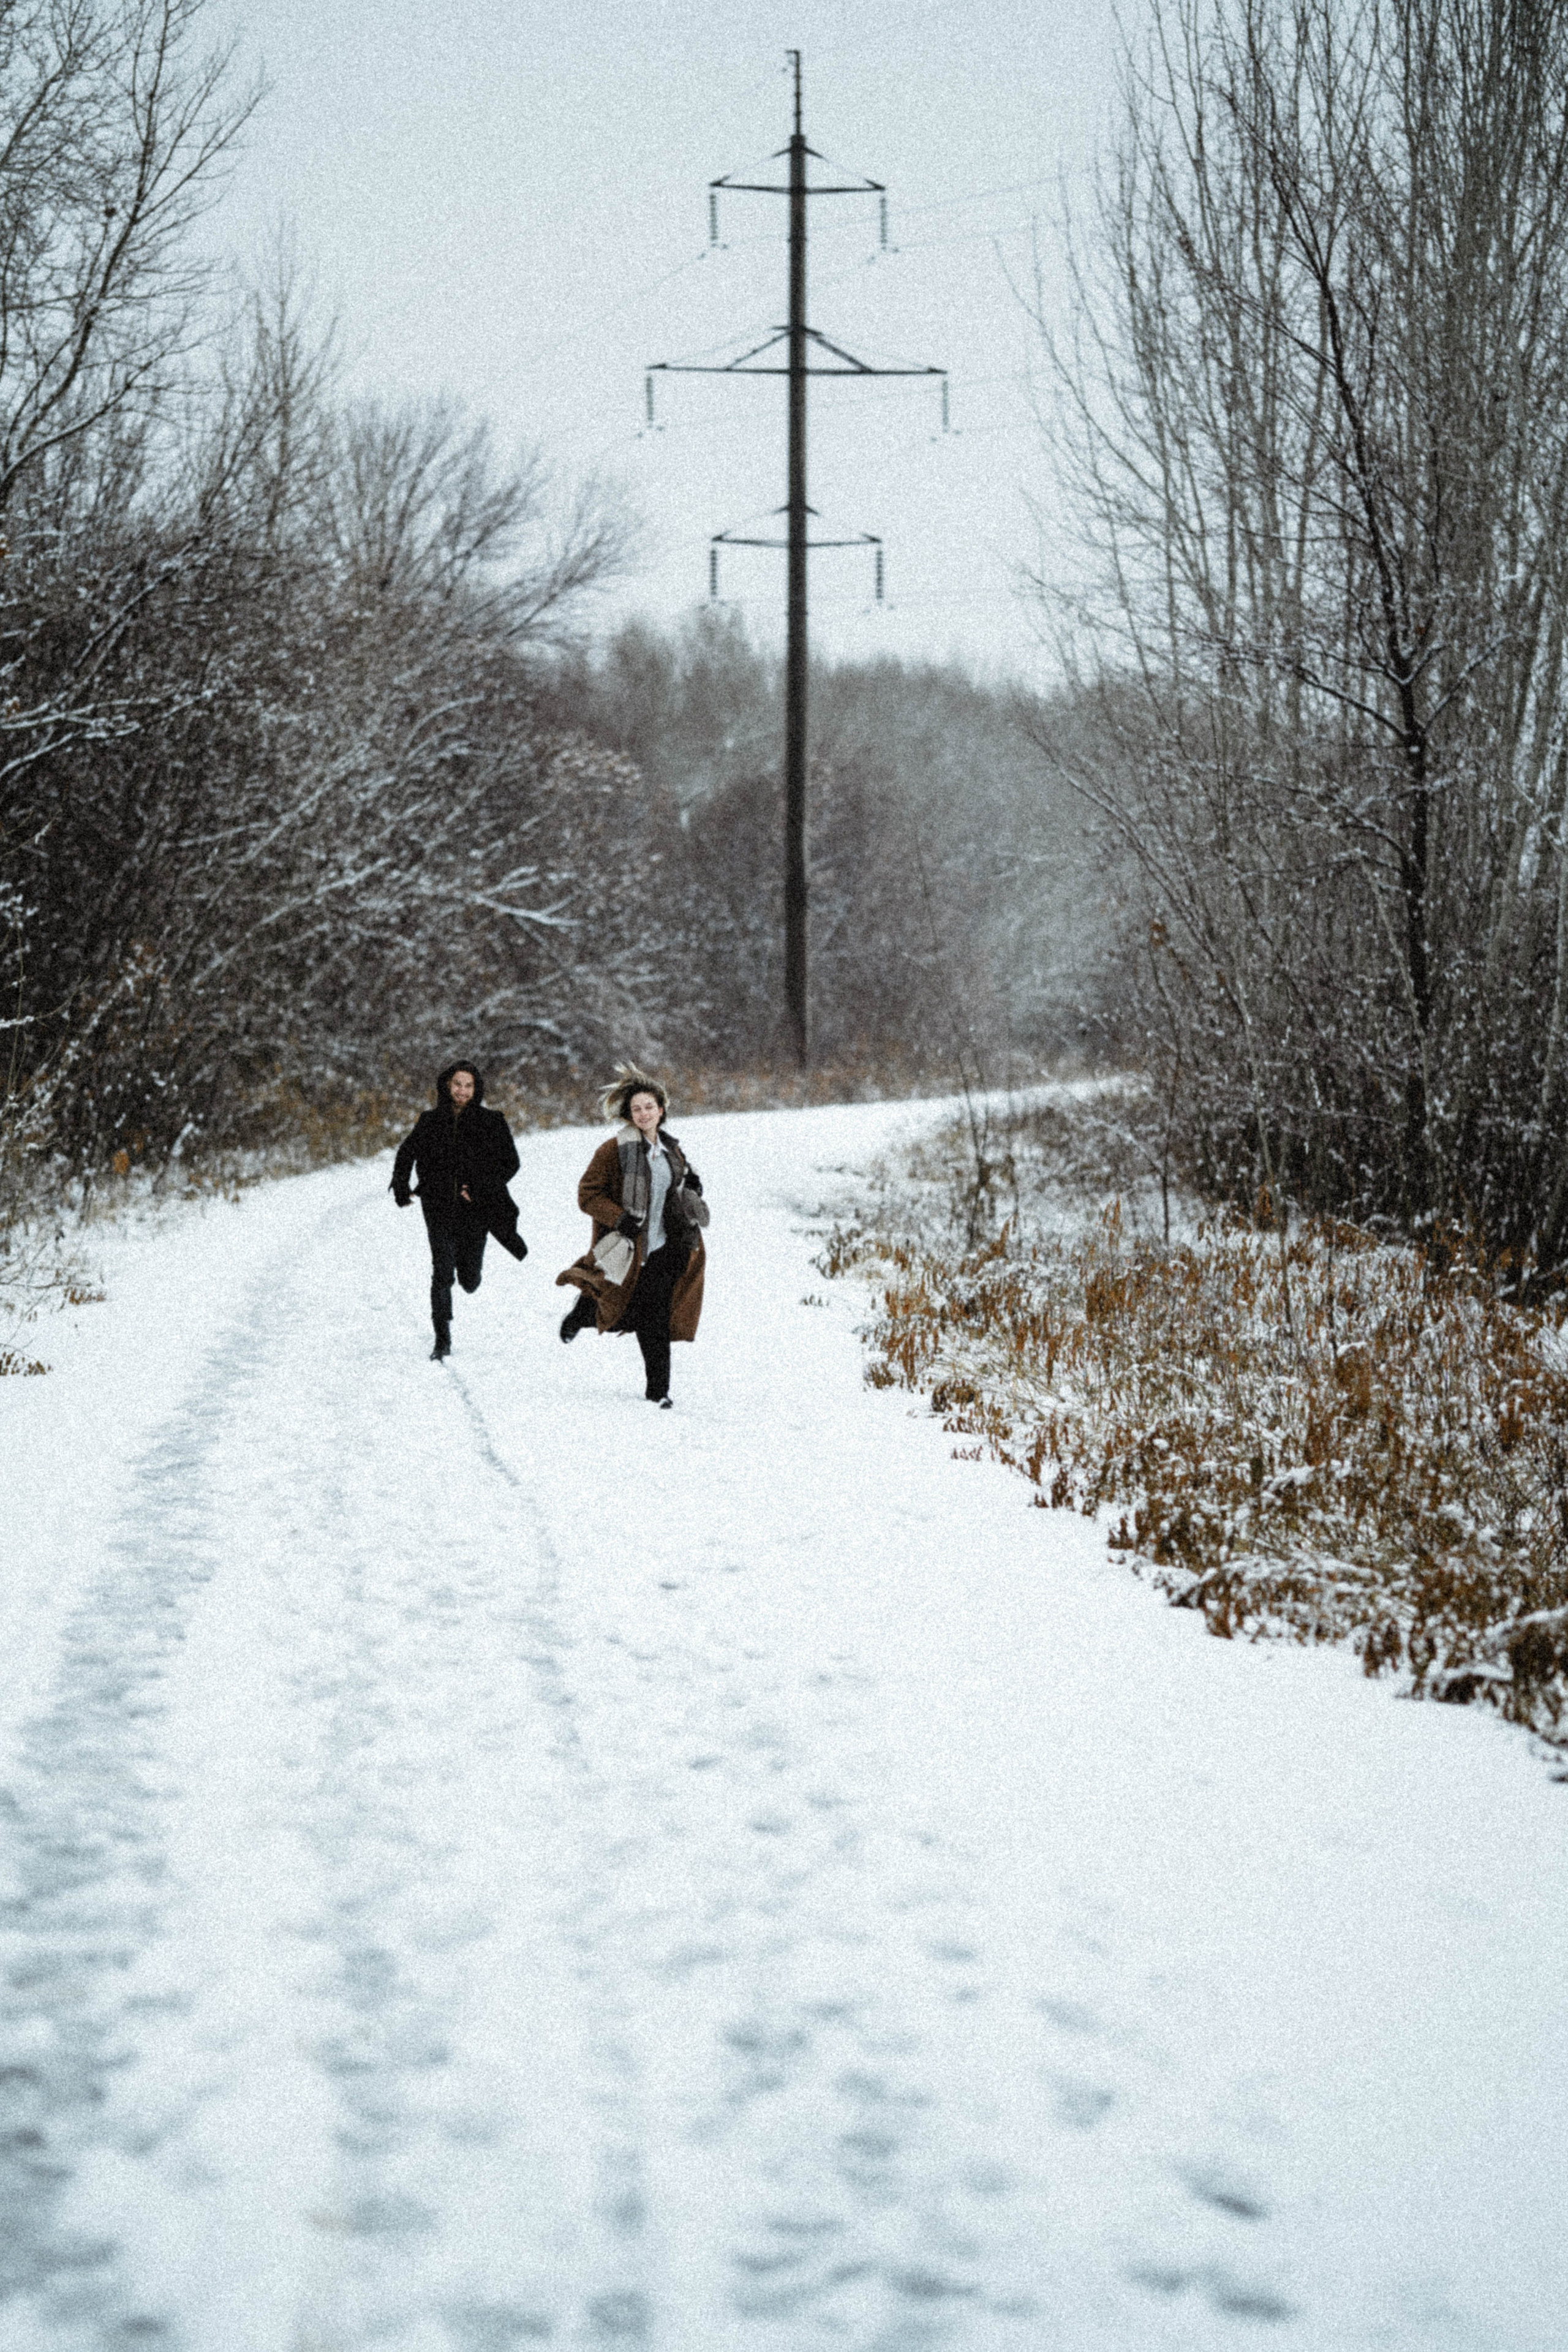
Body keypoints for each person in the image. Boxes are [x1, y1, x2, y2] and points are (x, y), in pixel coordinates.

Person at [556, 1066, 706, 1407]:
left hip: (667, 1246)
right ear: (629, 1113)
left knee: (655, 1315)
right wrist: (619, 1218)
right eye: (637, 1109)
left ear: (662, 1110)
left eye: (649, 1107)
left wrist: (693, 1187)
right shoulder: (613, 1151)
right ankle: (582, 1314)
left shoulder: (672, 1150)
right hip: (627, 1246)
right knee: (621, 1303)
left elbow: (679, 1184)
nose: (643, 1114)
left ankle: (659, 1392)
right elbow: (587, 1195)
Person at [391, 1061, 526, 1359]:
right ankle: (442, 1338)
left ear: (476, 1089)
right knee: (441, 1270)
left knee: (469, 1280)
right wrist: (401, 1183)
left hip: (474, 1209)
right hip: (437, 1204)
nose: (462, 1091)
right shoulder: (430, 1120)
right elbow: (407, 1151)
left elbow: (510, 1163)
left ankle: (469, 1275)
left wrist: (479, 1187)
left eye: (468, 1085)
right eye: (457, 1084)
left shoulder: (491, 1121)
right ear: (446, 1086)